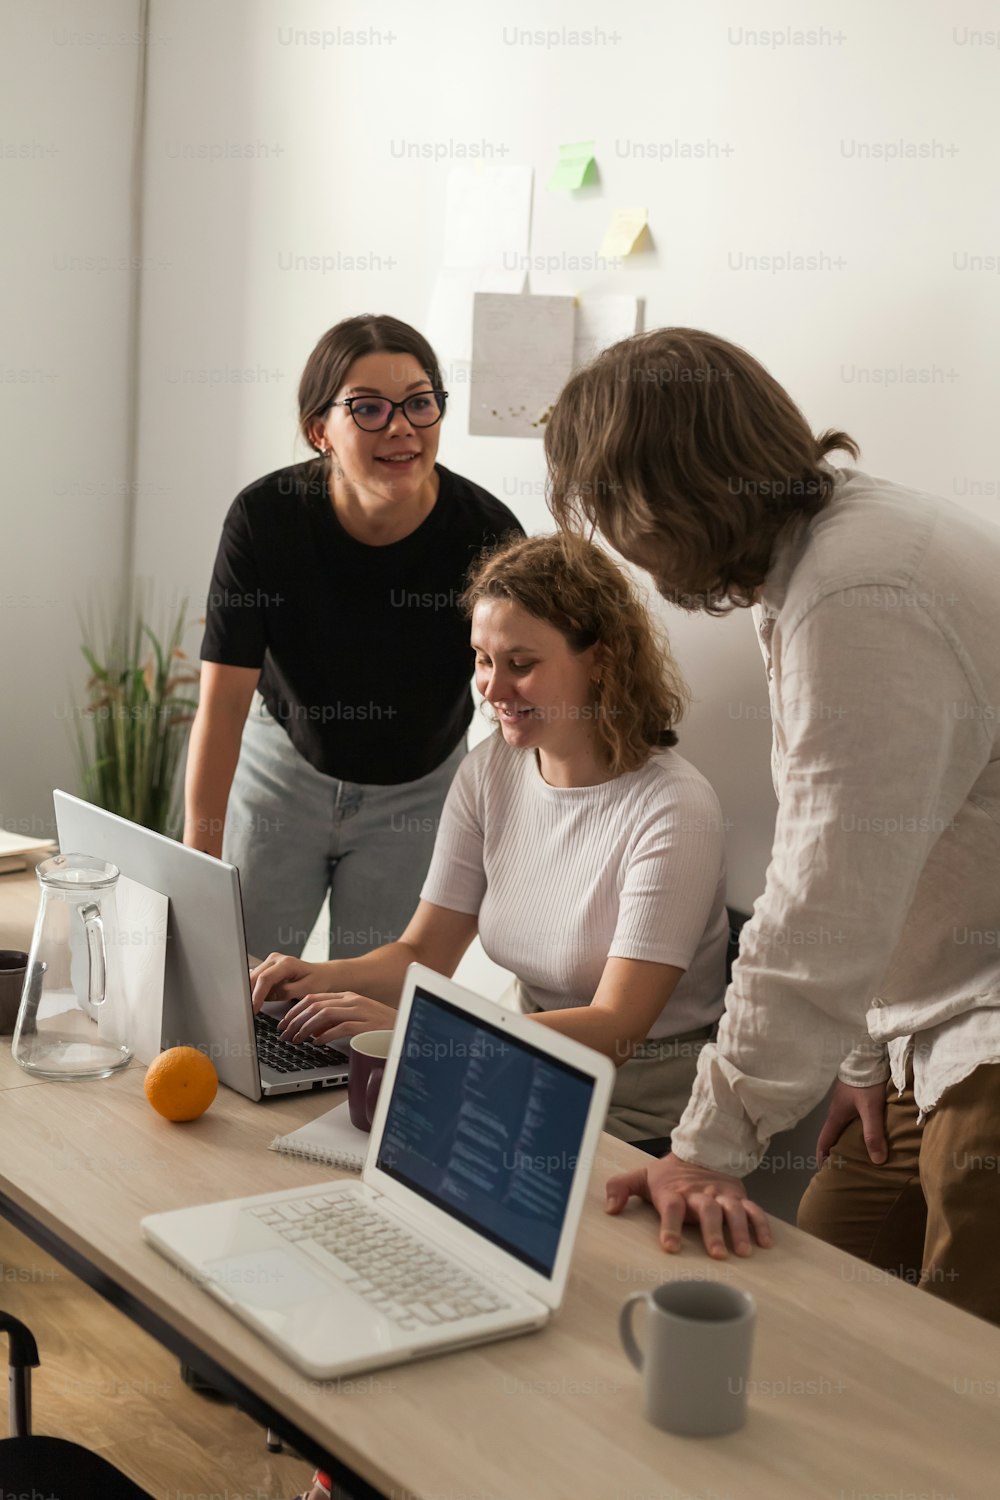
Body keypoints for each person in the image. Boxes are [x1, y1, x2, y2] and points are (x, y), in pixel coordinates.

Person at [544, 326, 1000, 1325]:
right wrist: (865, 1056)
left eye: (611, 515)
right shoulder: (820, 558)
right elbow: (884, 840)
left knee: (956, 1395)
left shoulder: (859, 592)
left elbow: (824, 894)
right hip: (927, 1028)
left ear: (658, 502)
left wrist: (707, 1145)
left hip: (985, 1029)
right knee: (809, 1314)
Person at [251, 530, 730, 1144]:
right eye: (483, 658)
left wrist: (421, 1034)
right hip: (514, 1071)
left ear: (602, 658)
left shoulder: (673, 807)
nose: (493, 690)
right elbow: (422, 953)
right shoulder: (490, 771)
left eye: (521, 665)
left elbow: (615, 1031)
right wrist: (309, 977)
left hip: (639, 1113)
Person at [183, 315, 521, 961]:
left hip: (420, 791)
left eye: (420, 403)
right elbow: (222, 708)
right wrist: (196, 869)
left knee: (372, 1026)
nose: (401, 427)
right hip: (283, 769)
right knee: (233, 981)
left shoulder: (488, 535)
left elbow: (520, 695)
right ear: (321, 432)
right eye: (368, 408)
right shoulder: (265, 518)